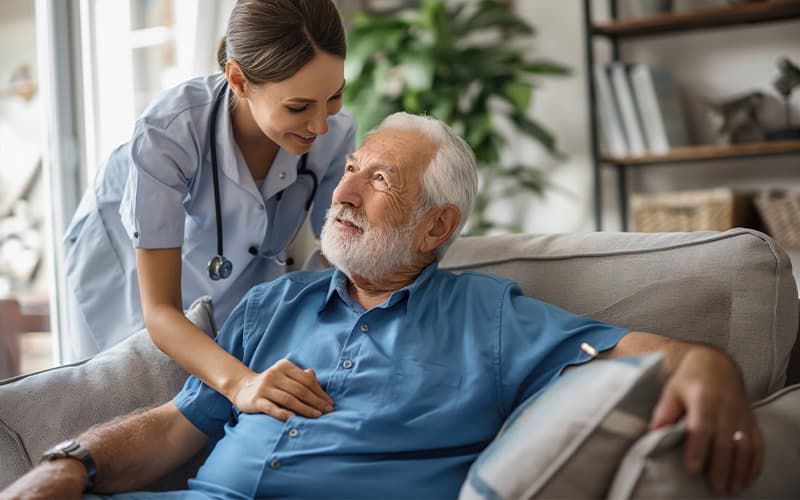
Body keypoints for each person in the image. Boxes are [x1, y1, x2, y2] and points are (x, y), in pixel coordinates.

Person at [8, 113, 761, 499]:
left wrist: (707, 363)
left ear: (437, 225)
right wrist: (71, 465)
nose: (340, 191)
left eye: (379, 181)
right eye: (351, 170)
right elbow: (181, 423)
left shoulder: (488, 318)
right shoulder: (274, 304)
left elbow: (630, 354)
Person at [64, 0, 353, 417]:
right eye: (298, 107)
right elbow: (160, 312)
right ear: (238, 80)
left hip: (231, 262)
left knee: (219, 385)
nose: (321, 124)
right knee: (127, 397)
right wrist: (241, 383)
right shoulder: (167, 135)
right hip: (122, 257)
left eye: (335, 96)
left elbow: (336, 258)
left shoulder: (335, 135)